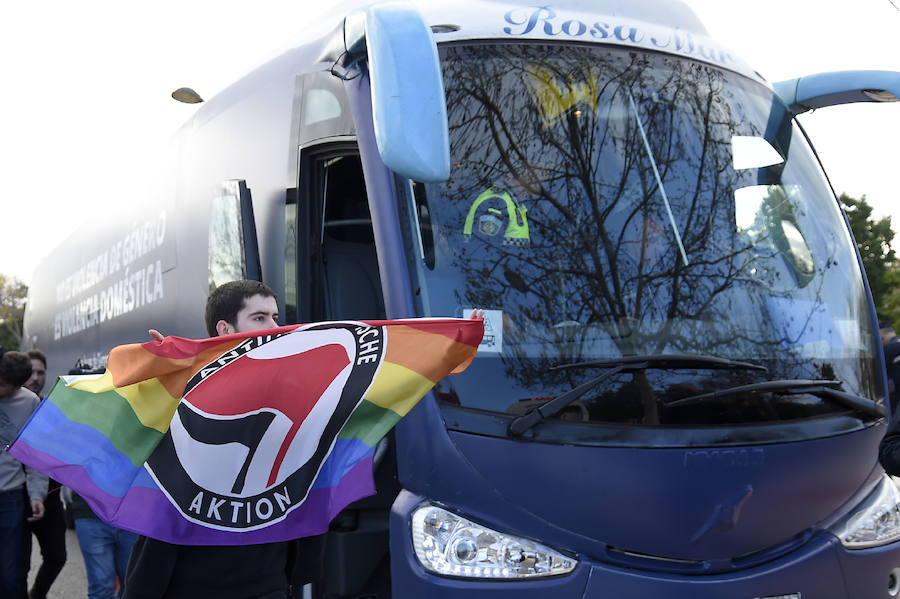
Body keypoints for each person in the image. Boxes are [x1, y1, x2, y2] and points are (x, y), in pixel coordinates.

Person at [123, 280, 327, 599]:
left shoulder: (296, 387)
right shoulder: (184, 387)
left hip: (267, 581)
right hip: (192, 581)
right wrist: (164, 385)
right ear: (224, 328)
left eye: (276, 317)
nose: (275, 327)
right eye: (260, 318)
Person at [0, 350, 48, 598]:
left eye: (3, 386)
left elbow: (36, 455)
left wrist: (37, 495)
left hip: (10, 498)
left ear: (17, 386)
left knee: (11, 576)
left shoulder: (29, 402)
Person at [23, 349, 68, 599]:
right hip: (16, 496)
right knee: (17, 565)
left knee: (57, 557)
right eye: (30, 372)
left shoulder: (51, 408)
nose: (36, 377)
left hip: (50, 495)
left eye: (41, 372)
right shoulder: (8, 409)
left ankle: (36, 594)